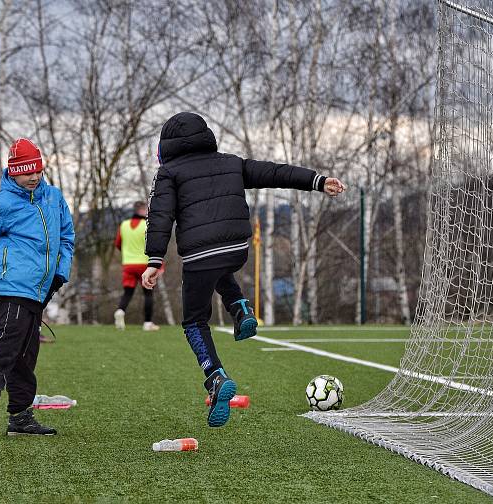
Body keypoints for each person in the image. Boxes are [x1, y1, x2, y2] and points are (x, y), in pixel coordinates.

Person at [141, 112, 345, 428]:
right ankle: (240, 309)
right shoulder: (231, 162)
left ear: (166, 146)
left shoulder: (168, 173)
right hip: (237, 248)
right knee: (221, 266)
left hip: (199, 254)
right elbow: (274, 173)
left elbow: (160, 214)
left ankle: (215, 376)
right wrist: (317, 180)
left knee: (194, 321)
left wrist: (155, 259)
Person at [0, 138, 75, 440]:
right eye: (25, 172)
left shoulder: (54, 197)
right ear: (12, 173)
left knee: (26, 350)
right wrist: (1, 271)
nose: (33, 177)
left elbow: (66, 237)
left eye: (36, 170)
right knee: (9, 341)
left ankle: (20, 416)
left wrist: (59, 274)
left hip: (42, 286)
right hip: (13, 286)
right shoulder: (2, 203)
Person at [113, 201, 159, 331]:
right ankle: (147, 323)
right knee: (148, 294)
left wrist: (128, 254)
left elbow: (117, 244)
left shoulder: (124, 225)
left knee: (127, 293)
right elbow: (154, 245)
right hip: (145, 265)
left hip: (128, 264)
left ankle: (120, 311)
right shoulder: (147, 225)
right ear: (143, 210)